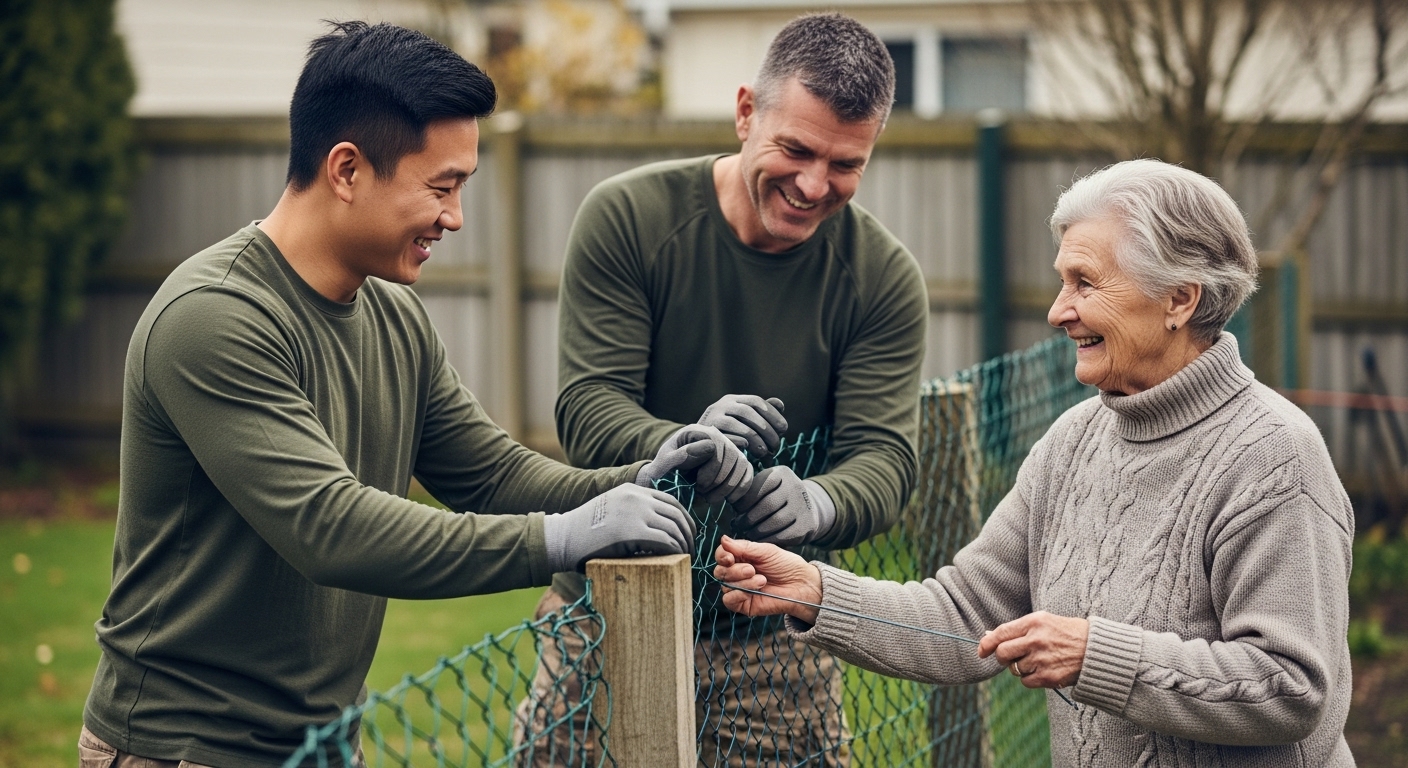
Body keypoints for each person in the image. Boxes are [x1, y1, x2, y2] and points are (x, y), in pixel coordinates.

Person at [76, 22, 753, 768]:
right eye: (442, 186)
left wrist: (648, 474)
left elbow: (492, 474)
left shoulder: (390, 311)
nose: (455, 217)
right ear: (346, 169)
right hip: (181, 748)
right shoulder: (214, 319)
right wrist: (562, 537)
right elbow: (329, 527)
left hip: (325, 742)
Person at [714, 159, 1356, 767]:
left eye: (1085, 282)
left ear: (1179, 300)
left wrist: (1095, 655)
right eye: (1061, 282)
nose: (1058, 310)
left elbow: (1291, 685)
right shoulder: (1075, 439)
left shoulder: (1272, 458)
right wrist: (817, 593)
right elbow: (966, 613)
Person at [517, 12, 928, 766]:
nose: (813, 184)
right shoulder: (629, 219)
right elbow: (587, 407)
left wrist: (817, 502)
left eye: (845, 164)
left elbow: (886, 459)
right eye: (796, 150)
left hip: (773, 634)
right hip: (608, 609)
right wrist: (682, 443)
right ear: (746, 112)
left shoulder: (882, 278)